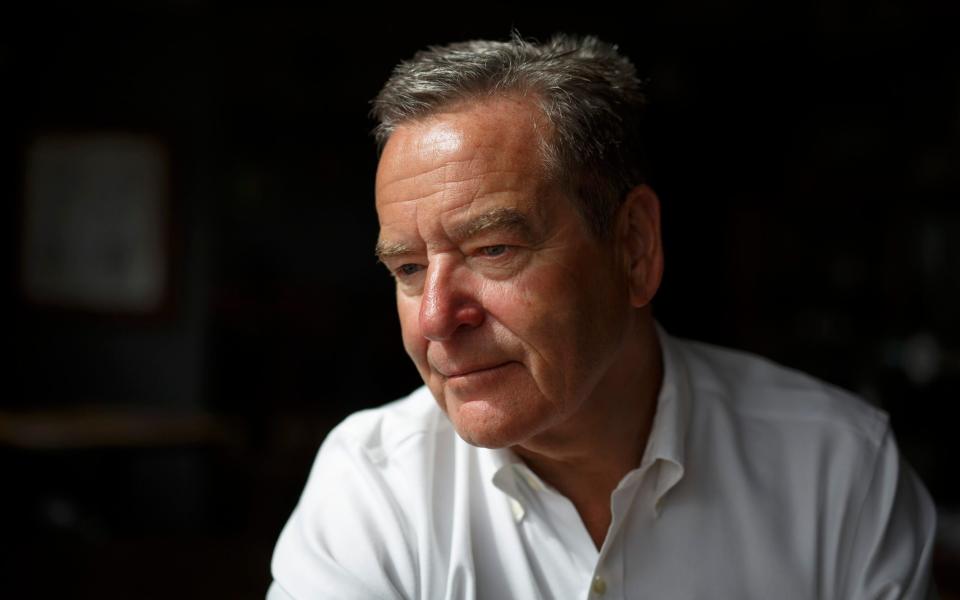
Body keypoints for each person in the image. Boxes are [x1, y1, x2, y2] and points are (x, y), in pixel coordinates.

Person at [268, 33, 937, 599]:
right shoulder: (373, 485)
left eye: (493, 249)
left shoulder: (839, 469)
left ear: (633, 247)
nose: (437, 319)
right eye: (409, 269)